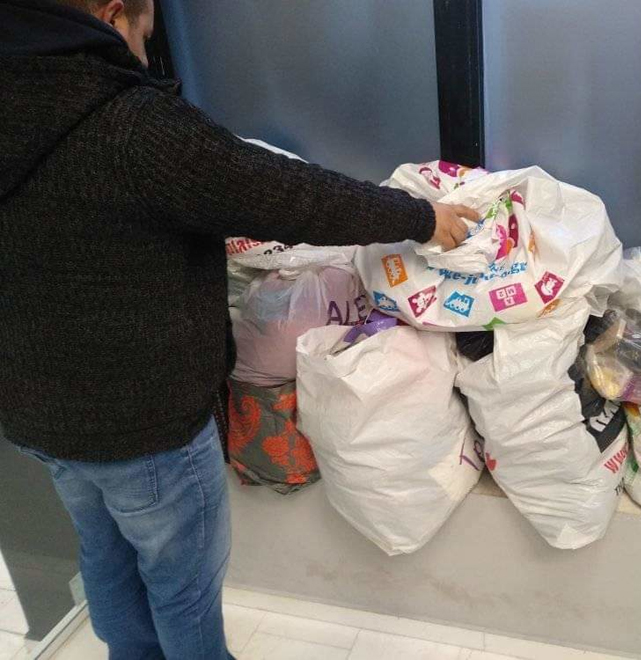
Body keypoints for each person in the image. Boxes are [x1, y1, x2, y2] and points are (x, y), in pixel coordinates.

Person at [0, 1, 479, 658]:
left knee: (104, 552)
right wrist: (420, 217)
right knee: (182, 584)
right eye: (144, 34)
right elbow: (289, 195)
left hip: (35, 413)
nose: (141, 54)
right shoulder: (129, 126)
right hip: (143, 426)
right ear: (113, 15)